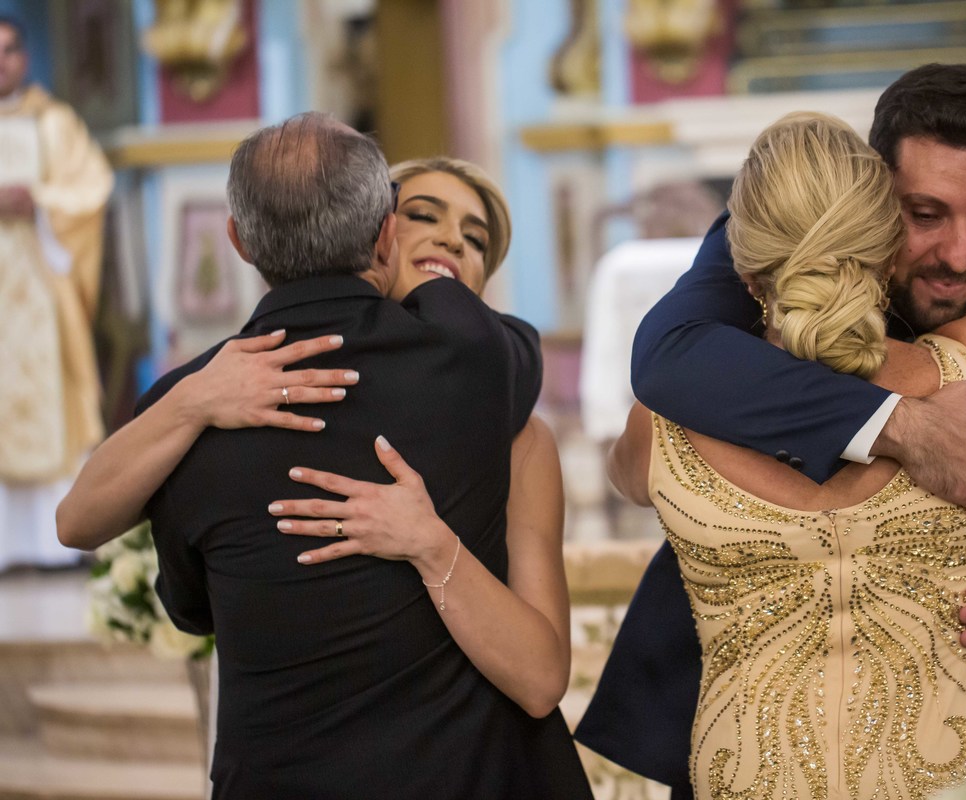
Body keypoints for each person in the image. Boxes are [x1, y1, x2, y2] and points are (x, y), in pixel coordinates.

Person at [575, 64, 966, 796]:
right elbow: (663, 356)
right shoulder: (743, 301)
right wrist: (896, 423)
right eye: (924, 215)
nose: (958, 256)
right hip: (740, 724)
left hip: (949, 724)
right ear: (868, 198)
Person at [60, 118, 592, 798]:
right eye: (420, 216)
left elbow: (181, 601)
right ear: (386, 233)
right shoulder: (480, 361)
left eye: (474, 235)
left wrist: (431, 545)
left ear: (238, 241)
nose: (450, 242)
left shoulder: (189, 409)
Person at [0, 15, 112, 572]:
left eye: (10, 49)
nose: (2, 60)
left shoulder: (55, 123)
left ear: (24, 57)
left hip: (43, 287)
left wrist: (39, 201)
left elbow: (91, 187)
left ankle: (50, 543)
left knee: (55, 394)